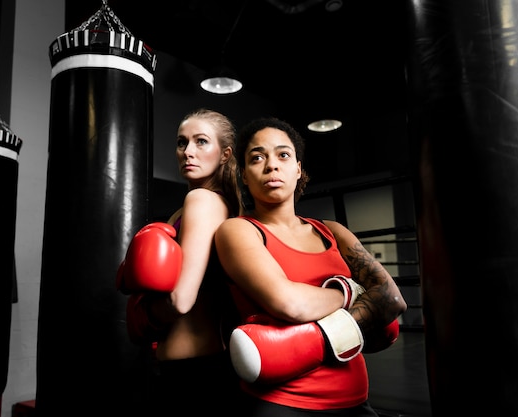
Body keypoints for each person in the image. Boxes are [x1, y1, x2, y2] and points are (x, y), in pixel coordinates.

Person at [214, 116, 408, 416]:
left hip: (356, 399)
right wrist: (350, 290)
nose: (271, 165)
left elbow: (392, 299)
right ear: (243, 174)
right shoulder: (237, 231)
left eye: (283, 155)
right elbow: (289, 303)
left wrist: (320, 306)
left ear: (298, 169)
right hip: (281, 403)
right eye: (257, 158)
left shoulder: (334, 232)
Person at [116, 108, 242, 415]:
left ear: (224, 154)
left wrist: (143, 313)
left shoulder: (201, 201)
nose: (188, 152)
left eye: (201, 142)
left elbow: (180, 300)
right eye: (181, 142)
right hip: (206, 369)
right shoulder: (217, 206)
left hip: (193, 377)